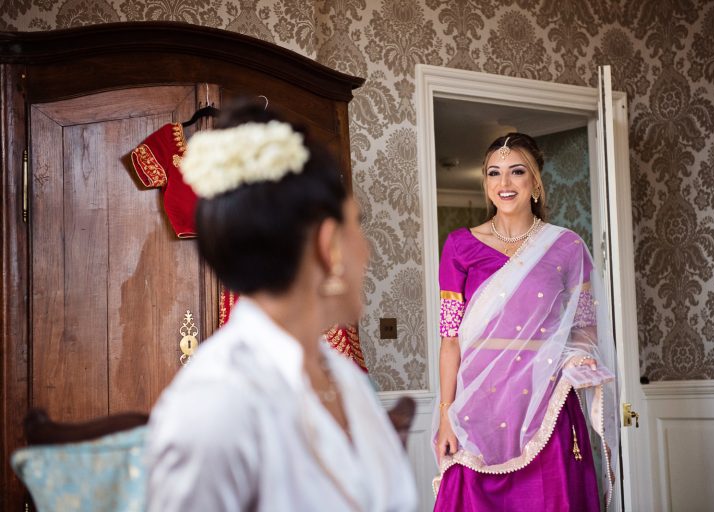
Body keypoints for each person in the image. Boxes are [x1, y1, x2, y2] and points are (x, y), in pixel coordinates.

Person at [145, 101, 417, 512]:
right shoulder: (216, 405)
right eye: (356, 224)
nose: (369, 249)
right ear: (330, 247)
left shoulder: (342, 377)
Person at [432, 133, 619, 511]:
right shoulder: (459, 246)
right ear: (485, 183)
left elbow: (584, 327)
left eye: (516, 172)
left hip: (546, 400)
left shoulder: (566, 246)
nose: (504, 183)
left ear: (535, 181)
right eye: (493, 173)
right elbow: (449, 340)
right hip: (477, 402)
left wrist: (577, 358)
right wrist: (446, 415)